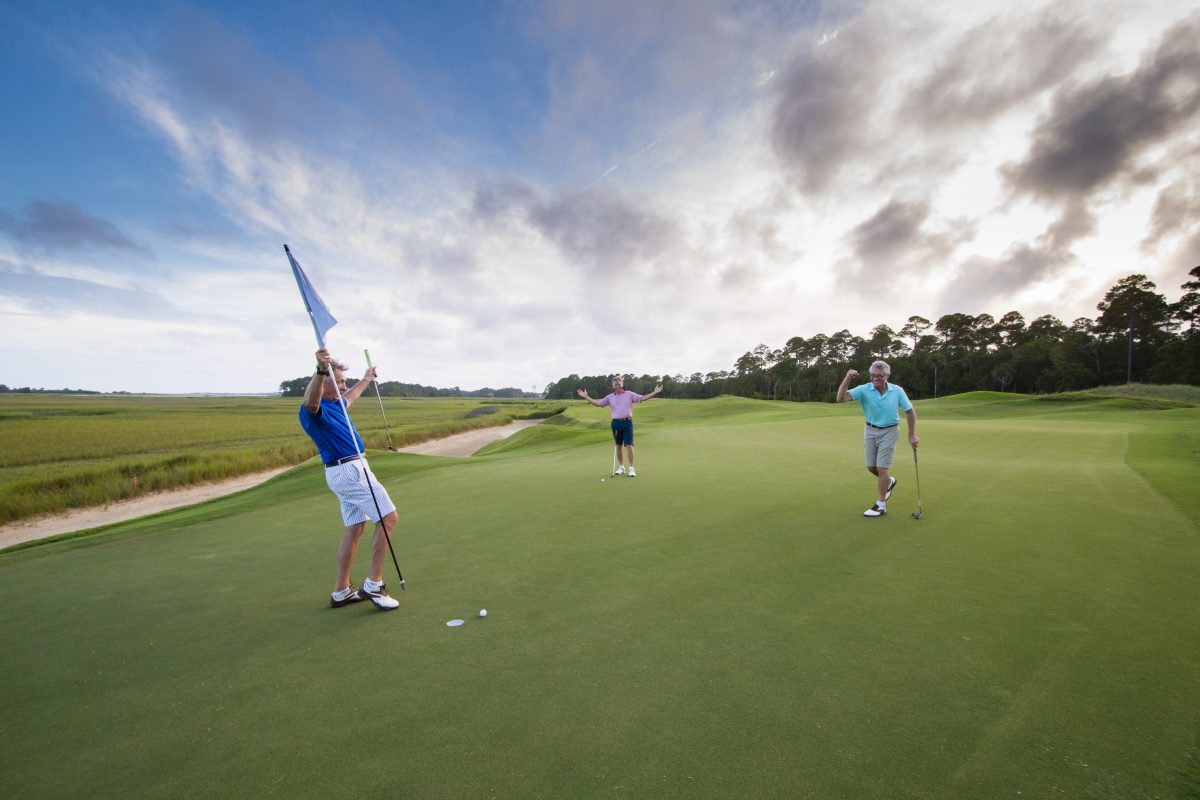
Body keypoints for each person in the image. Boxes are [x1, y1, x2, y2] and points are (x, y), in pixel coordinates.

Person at [299, 346, 400, 610]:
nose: (344, 387)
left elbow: (351, 396)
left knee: (354, 528)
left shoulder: (337, 405)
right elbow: (311, 401)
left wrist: (366, 379)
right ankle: (374, 584)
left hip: (345, 471)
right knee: (388, 518)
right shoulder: (314, 409)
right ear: (324, 383)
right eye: (340, 382)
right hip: (349, 470)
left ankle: (342, 590)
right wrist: (321, 370)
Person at [836, 360, 919, 517]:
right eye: (872, 375)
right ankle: (889, 481)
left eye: (879, 376)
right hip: (870, 430)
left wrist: (912, 434)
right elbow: (841, 398)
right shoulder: (864, 389)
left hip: (890, 431)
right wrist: (847, 378)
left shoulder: (897, 391)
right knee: (871, 467)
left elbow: (909, 411)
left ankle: (881, 505)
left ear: (887, 375)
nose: (875, 378)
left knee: (882, 468)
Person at [577, 376, 663, 477]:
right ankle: (621, 467)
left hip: (627, 423)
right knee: (618, 445)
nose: (617, 386)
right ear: (613, 386)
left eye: (619, 384)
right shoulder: (609, 397)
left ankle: (631, 468)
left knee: (629, 445)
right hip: (616, 423)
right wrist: (586, 397)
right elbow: (598, 404)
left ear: (622, 384)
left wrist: (655, 392)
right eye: (615, 384)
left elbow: (642, 398)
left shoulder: (629, 394)